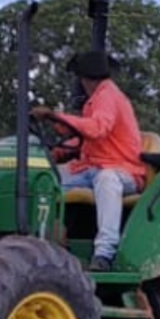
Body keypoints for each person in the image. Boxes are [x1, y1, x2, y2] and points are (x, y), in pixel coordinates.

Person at [31, 49, 145, 272]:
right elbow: (85, 139)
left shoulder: (108, 96)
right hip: (91, 166)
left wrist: (56, 115)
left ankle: (104, 253)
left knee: (107, 180)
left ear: (83, 78)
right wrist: (57, 151)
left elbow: (97, 129)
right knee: (45, 178)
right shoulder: (94, 100)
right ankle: (46, 240)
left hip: (124, 170)